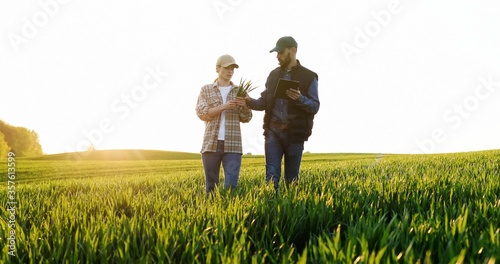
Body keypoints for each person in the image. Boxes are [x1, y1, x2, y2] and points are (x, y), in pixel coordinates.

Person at [245, 36, 319, 192]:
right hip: (273, 133)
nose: (277, 56)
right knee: (271, 177)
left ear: (293, 51)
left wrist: (300, 98)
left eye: (280, 52)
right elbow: (263, 103)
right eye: (276, 53)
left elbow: (314, 106)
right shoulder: (273, 75)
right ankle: (271, 211)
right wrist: (248, 100)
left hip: (295, 135)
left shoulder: (309, 76)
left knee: (292, 180)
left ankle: (289, 211)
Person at [196, 54, 252, 195]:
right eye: (227, 67)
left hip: (233, 145)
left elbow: (247, 118)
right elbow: (202, 113)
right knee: (211, 188)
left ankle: (230, 213)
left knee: (232, 187)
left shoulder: (240, 91)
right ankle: (211, 215)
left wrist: (245, 105)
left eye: (233, 68)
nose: (230, 71)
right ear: (217, 68)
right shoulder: (206, 89)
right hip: (211, 145)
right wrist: (224, 106)